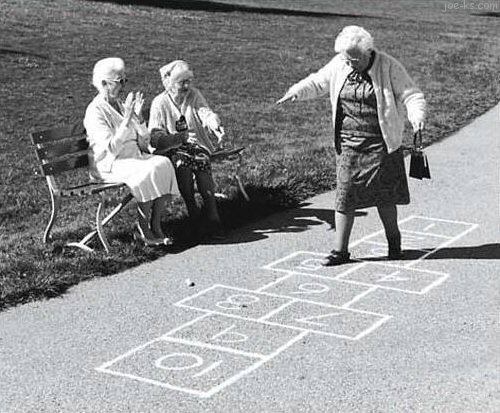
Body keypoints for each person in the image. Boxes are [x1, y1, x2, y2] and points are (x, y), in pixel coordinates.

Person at [277, 25, 426, 265]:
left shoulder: (388, 66)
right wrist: (296, 92)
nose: (350, 63)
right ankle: (340, 251)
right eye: (347, 58)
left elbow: (411, 94)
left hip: (381, 143)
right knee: (345, 196)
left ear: (369, 52)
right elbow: (318, 82)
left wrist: (416, 116)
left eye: (355, 59)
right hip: (348, 144)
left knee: (385, 197)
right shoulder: (340, 63)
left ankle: (394, 243)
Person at [84, 57, 179, 246]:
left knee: (164, 163)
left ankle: (155, 223)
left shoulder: (120, 105)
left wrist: (139, 120)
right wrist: (126, 121)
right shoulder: (95, 111)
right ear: (104, 83)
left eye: (125, 80)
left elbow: (144, 144)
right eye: (120, 82)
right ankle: (142, 228)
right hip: (109, 165)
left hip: (133, 158)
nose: (124, 86)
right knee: (148, 170)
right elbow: (110, 148)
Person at [148, 60, 226, 239]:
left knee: (200, 159)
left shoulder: (193, 94)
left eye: (188, 81)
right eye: (181, 82)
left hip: (196, 145)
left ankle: (213, 215)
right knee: (182, 161)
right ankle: (193, 210)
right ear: (169, 84)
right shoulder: (159, 103)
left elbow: (205, 112)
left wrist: (214, 123)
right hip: (171, 149)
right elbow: (155, 136)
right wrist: (177, 139)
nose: (186, 86)